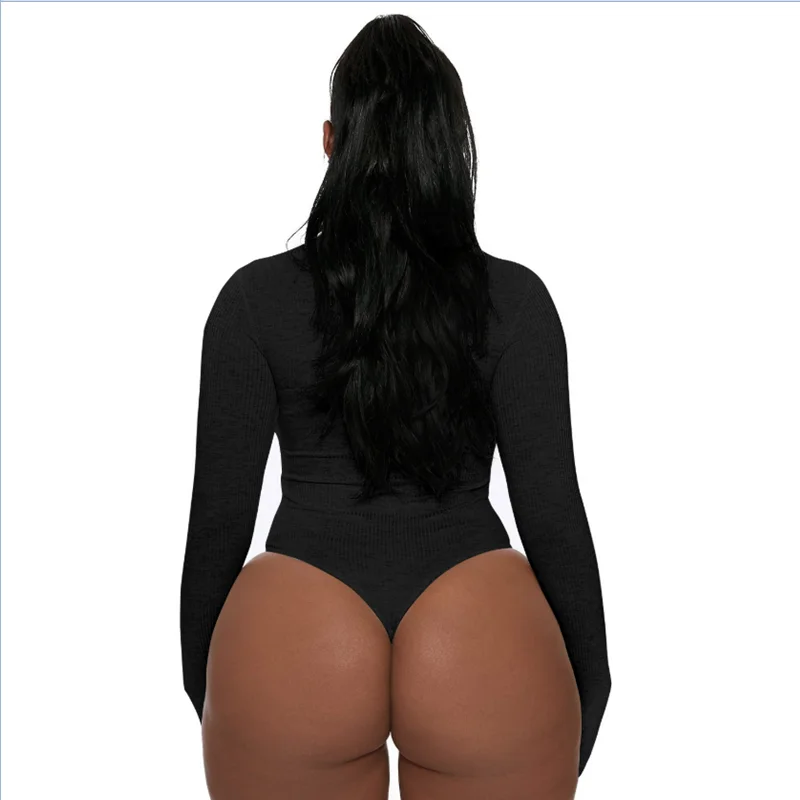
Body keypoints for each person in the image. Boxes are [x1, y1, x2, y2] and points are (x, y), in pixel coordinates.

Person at [180, 13, 611, 800]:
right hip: (481, 628)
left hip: (293, 628)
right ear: (447, 146)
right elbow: (552, 513)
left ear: (330, 142)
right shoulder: (516, 302)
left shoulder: (251, 301)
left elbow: (217, 521)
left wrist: (213, 683)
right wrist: (590, 678)